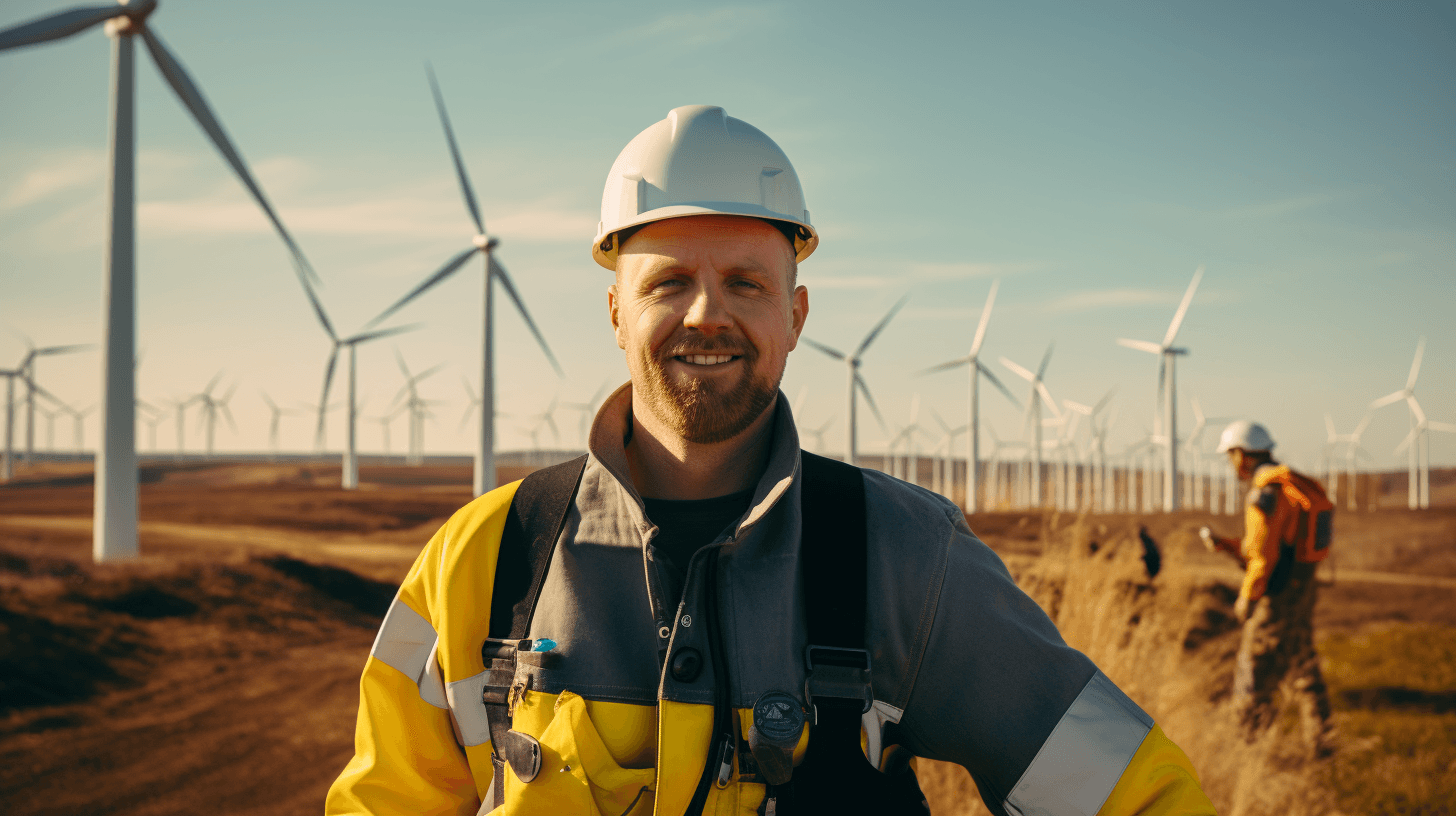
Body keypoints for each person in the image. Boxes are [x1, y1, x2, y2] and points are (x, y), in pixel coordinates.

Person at [326, 105, 1214, 815]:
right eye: (667, 281)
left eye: (746, 283)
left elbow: (1125, 791)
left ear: (796, 316)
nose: (707, 313)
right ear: (614, 313)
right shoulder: (481, 557)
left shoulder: (907, 557)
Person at [1201, 420, 1332, 754]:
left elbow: (1262, 556)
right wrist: (1226, 546)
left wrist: (1247, 597)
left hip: (1276, 596)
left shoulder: (1266, 493)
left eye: (1230, 454)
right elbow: (1265, 547)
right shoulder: (1287, 485)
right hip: (1302, 587)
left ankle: (1248, 747)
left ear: (1242, 454)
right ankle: (1323, 741)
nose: (1230, 463)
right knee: (1304, 665)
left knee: (1253, 671)